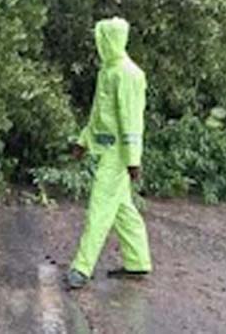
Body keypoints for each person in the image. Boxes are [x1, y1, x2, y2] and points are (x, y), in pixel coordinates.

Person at [68, 17, 151, 289]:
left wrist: (133, 160)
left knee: (100, 208)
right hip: (107, 150)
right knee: (123, 209)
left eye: (103, 38)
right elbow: (98, 113)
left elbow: (131, 121)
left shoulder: (128, 74)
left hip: (118, 155)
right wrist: (83, 141)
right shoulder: (108, 71)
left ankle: (82, 268)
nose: (99, 43)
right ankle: (137, 262)